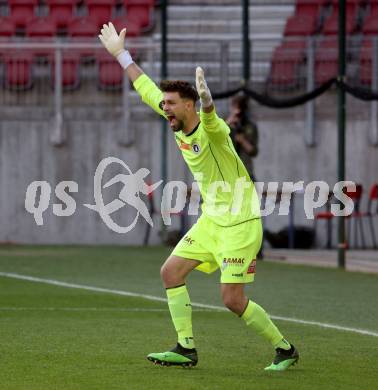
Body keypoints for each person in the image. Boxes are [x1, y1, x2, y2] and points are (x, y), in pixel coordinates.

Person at [98, 22, 299, 371]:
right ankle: (185, 348)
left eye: (172, 104)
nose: (166, 109)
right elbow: (144, 86)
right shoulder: (174, 117)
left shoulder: (214, 131)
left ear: (189, 106)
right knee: (170, 272)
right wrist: (120, 54)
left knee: (231, 300)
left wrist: (208, 101)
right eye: (165, 105)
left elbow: (211, 122)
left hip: (240, 222)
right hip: (213, 219)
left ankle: (285, 349)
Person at [226, 95, 259, 182]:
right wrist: (228, 123)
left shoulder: (250, 126)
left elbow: (253, 151)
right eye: (235, 107)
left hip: (245, 170)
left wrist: (242, 140)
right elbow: (214, 140)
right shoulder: (224, 124)